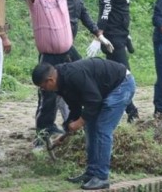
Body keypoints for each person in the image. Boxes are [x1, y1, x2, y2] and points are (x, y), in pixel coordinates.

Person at [31, 59, 135, 191]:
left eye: (42, 87)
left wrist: (79, 122)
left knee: (102, 128)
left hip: (121, 85)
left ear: (50, 80)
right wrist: (67, 130)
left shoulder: (74, 75)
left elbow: (93, 100)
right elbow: (75, 108)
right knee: (90, 126)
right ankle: (91, 173)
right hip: (103, 89)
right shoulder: (61, 82)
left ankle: (102, 177)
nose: (43, 90)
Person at [19, 0, 81, 140]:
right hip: (49, 57)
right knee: (48, 94)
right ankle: (43, 131)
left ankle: (74, 124)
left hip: (68, 53)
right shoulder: (35, 0)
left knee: (77, 86)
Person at [96, 0, 141, 122]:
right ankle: (131, 111)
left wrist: (126, 32)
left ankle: (110, 104)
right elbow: (105, 11)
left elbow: (121, 11)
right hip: (112, 38)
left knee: (116, 76)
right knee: (124, 75)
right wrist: (98, 35)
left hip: (121, 35)